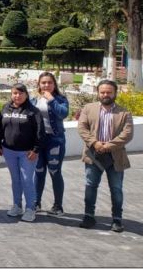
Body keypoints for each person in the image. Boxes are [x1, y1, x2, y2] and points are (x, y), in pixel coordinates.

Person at [77, 79, 134, 233]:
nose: (105, 95)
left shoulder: (124, 113)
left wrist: (107, 146)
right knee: (90, 186)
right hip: (93, 155)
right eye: (102, 92)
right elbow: (82, 128)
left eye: (109, 92)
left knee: (116, 189)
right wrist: (95, 143)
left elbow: (127, 134)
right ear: (98, 93)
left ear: (115, 93)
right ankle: (89, 216)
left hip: (115, 157)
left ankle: (117, 220)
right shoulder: (88, 108)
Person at [0, 83, 44, 222]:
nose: (17, 96)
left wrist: (36, 149)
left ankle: (30, 208)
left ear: (26, 95)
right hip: (9, 151)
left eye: (20, 93)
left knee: (27, 180)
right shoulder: (5, 108)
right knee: (15, 180)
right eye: (14, 93)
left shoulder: (33, 111)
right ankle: (17, 205)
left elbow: (40, 132)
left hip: (27, 153)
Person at [31, 72, 69, 216]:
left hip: (55, 141)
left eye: (49, 83)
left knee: (55, 172)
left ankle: (58, 206)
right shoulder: (34, 100)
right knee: (39, 171)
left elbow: (63, 114)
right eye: (43, 83)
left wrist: (51, 100)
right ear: (39, 84)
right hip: (38, 141)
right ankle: (36, 202)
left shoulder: (60, 99)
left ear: (54, 84)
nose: (46, 85)